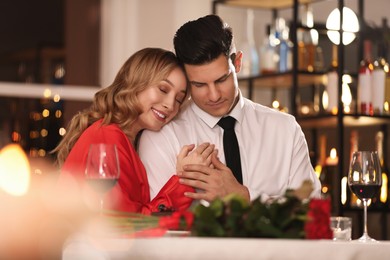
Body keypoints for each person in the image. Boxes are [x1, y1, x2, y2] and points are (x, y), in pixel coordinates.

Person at [138, 15, 321, 205]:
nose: (214, 95)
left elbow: (313, 213)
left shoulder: (285, 130)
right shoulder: (163, 137)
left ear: (238, 63)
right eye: (199, 85)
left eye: (221, 79)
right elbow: (159, 224)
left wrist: (244, 196)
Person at [53, 47, 215, 214]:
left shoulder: (126, 138)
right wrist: (184, 180)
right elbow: (127, 222)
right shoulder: (107, 136)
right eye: (163, 89)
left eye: (179, 99)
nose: (170, 105)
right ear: (136, 83)